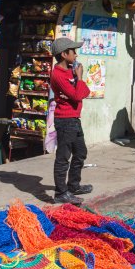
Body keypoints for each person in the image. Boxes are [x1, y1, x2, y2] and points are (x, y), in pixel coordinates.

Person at [49, 38, 93, 205]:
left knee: (81, 153)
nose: (76, 54)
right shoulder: (58, 75)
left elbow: (85, 92)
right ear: (63, 54)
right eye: (73, 51)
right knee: (63, 157)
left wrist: (78, 83)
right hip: (65, 120)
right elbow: (77, 95)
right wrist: (80, 78)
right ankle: (61, 193)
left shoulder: (70, 71)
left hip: (74, 119)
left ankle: (73, 185)